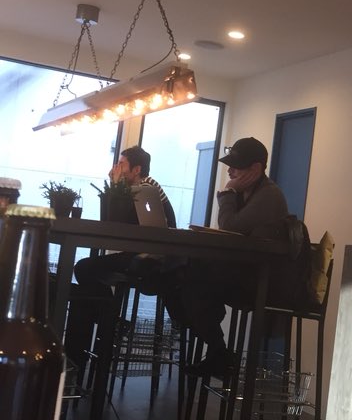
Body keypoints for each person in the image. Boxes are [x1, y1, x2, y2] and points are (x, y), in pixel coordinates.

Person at [173, 137, 291, 378]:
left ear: (256, 168)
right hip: (244, 274)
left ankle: (217, 350)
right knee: (180, 275)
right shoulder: (247, 193)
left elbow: (229, 226)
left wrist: (227, 192)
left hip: (261, 283)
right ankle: (217, 350)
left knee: (189, 275)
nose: (230, 171)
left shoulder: (269, 195)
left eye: (236, 167)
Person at [64, 145, 176, 371]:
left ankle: (107, 326)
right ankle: (111, 322)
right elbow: (115, 223)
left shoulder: (146, 188)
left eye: (122, 164)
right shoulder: (138, 189)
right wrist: (115, 188)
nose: (116, 168)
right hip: (139, 254)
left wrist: (115, 187)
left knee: (84, 271)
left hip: (149, 259)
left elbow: (114, 222)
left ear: (137, 169)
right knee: (85, 282)